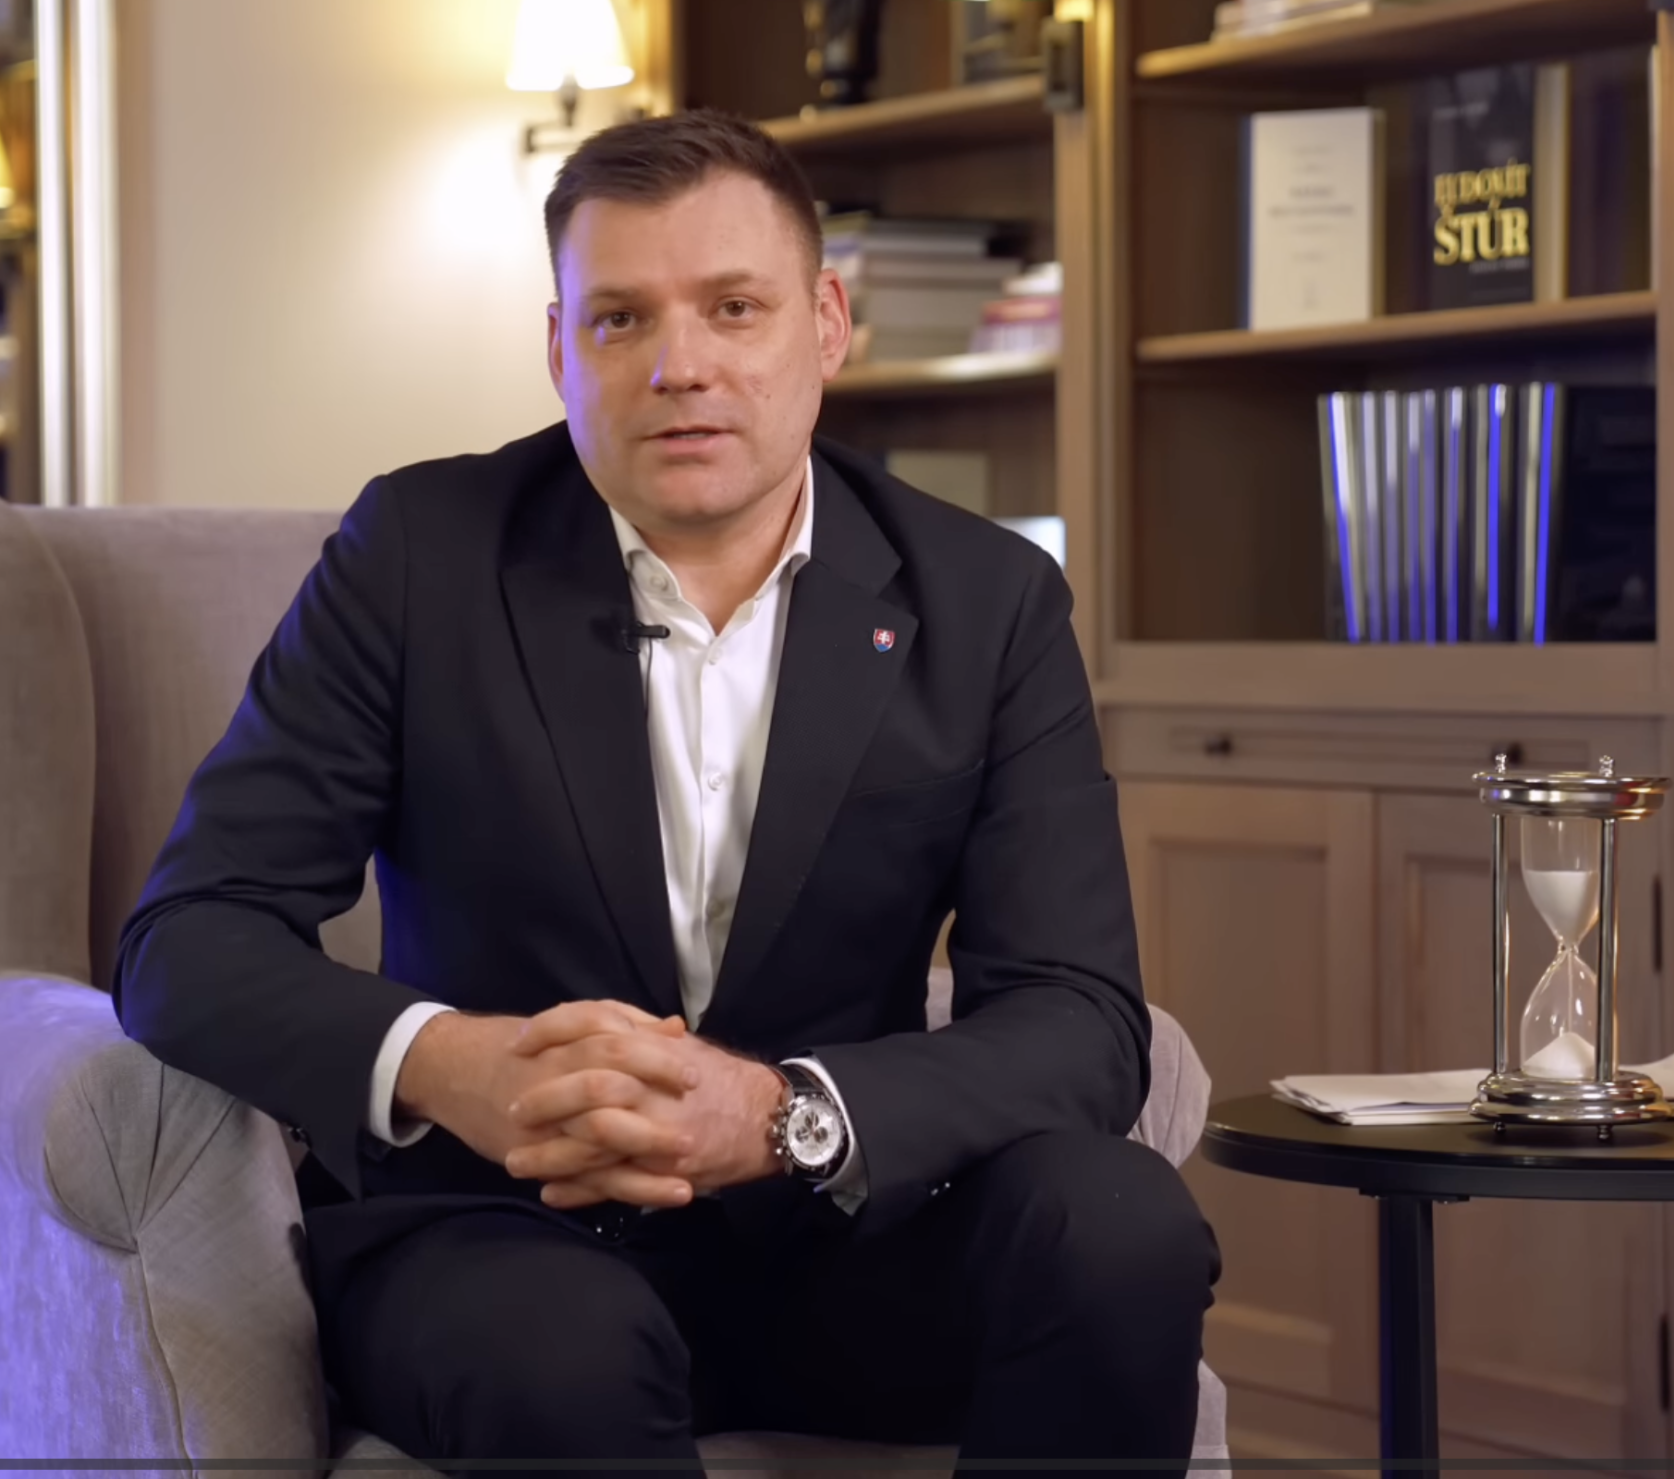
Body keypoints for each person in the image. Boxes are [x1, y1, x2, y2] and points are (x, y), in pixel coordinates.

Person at [112, 109, 1216, 1475]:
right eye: (620, 318)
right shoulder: (416, 556)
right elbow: (189, 937)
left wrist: (782, 1115)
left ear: (826, 324)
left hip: (845, 1232)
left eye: (733, 308)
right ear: (559, 350)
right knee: (562, 1352)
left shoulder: (987, 600)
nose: (677, 364)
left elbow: (1079, 1017)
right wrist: (456, 1065)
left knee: (1120, 1226)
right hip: (502, 1234)